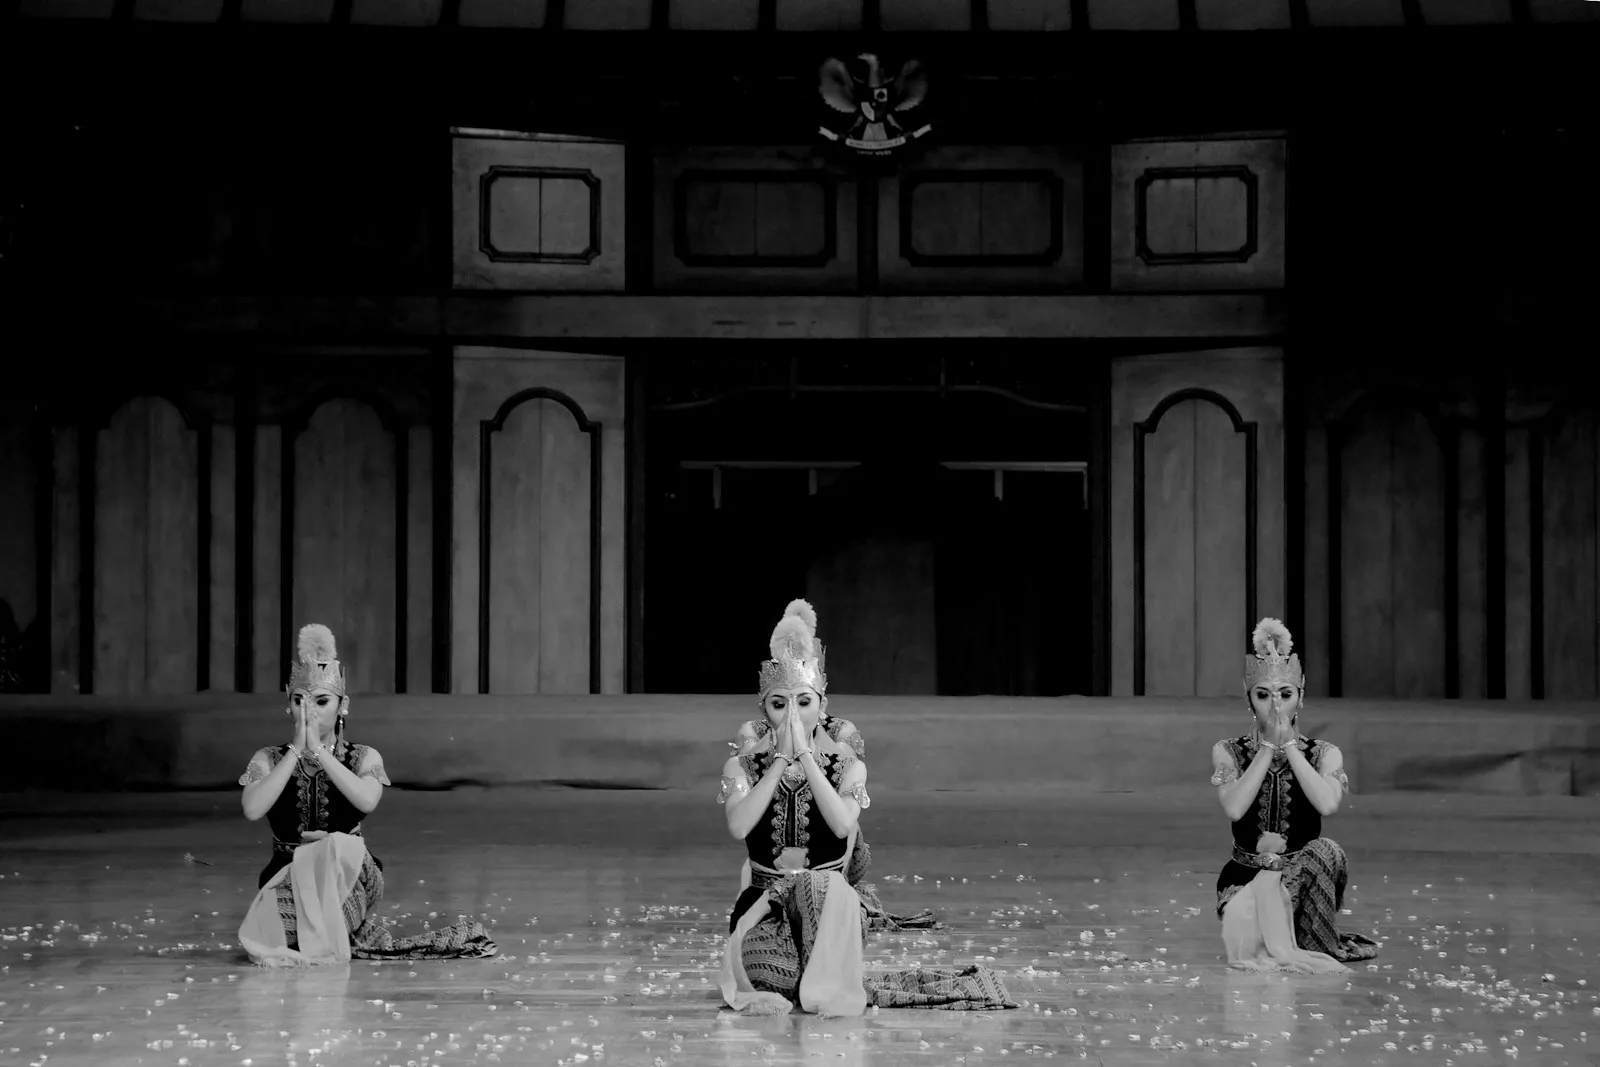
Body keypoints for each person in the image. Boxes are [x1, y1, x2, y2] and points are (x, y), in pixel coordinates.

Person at [717, 599, 1016, 1016]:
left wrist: (805, 758)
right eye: (779, 704)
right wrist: (780, 762)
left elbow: (841, 826)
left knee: (819, 888)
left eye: (804, 702)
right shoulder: (743, 764)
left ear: (820, 705)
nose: (792, 715)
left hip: (827, 902)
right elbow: (738, 825)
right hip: (765, 902)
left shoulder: (849, 766)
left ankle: (823, 963)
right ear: (764, 710)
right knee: (771, 979)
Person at [236, 623, 497, 966]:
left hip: (351, 874)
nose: (308, 711)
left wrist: (321, 754)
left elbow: (366, 801)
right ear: (288, 705)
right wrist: (297, 753)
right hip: (287, 873)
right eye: (299, 701)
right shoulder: (268, 758)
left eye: (321, 701)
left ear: (342, 706)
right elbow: (253, 808)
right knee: (269, 937)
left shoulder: (364, 757)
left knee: (324, 922)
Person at [1210, 617, 1380, 973]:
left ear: (1301, 694)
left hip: (1302, 880)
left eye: (1285, 695)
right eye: (1263, 695)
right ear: (1248, 696)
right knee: (1252, 937)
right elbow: (1234, 805)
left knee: (1326, 850)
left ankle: (1307, 934)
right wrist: (1267, 749)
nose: (1275, 707)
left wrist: (1288, 745)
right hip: (1246, 881)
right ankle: (1281, 935)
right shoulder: (1228, 751)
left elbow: (1328, 804)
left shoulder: (1324, 753)